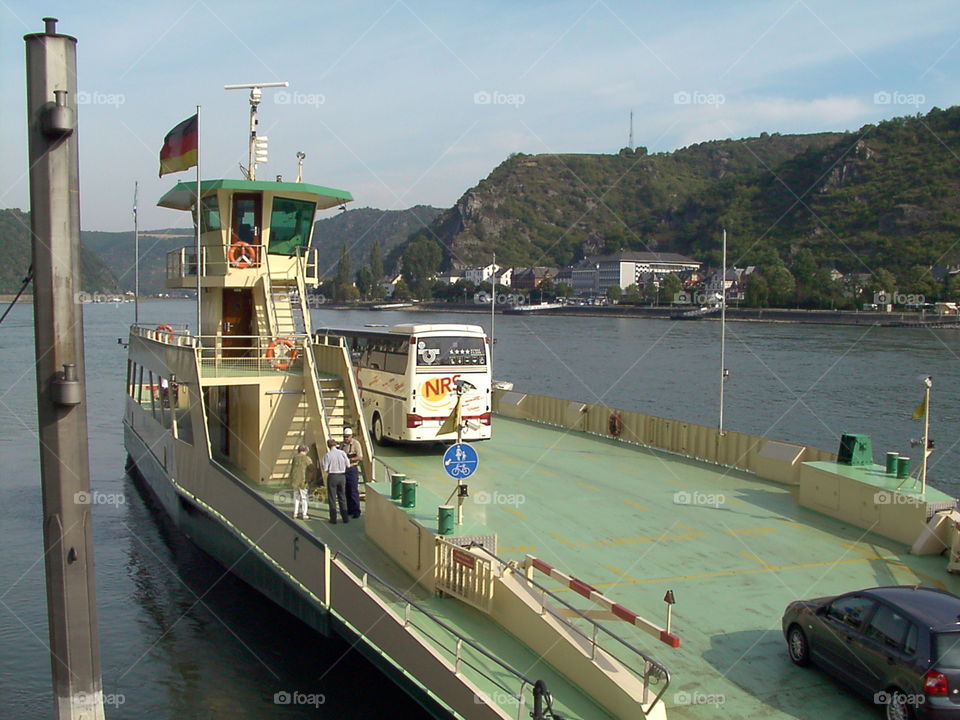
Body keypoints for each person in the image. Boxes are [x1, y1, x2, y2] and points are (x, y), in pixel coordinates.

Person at [321, 438, 350, 524]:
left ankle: (333, 518)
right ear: (336, 445)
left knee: (332, 498)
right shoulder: (342, 453)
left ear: (328, 446)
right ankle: (345, 517)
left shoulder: (327, 455)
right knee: (342, 496)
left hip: (332, 476)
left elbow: (325, 468)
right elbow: (348, 465)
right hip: (342, 476)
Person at [340, 427, 364, 518]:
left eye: (347, 437)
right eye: (345, 436)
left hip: (352, 469)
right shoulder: (342, 445)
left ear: (351, 436)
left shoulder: (356, 444)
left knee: (353, 490)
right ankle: (349, 509)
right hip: (344, 470)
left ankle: (356, 511)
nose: (346, 438)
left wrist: (349, 460)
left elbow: (360, 457)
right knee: (346, 490)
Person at [288, 444, 313, 520]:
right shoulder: (307, 458)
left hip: (295, 480)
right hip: (303, 481)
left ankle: (295, 513)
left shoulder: (295, 458)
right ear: (305, 451)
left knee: (296, 497)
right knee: (304, 498)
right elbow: (312, 468)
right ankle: (304, 514)